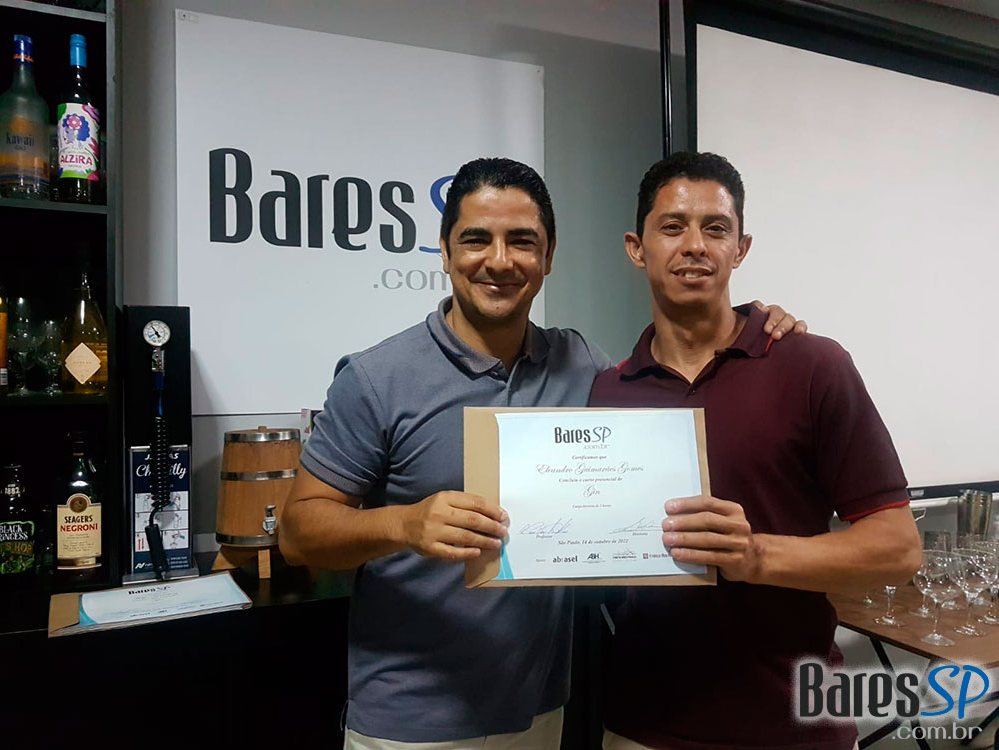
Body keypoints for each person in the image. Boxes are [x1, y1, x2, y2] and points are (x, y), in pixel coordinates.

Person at [279, 157, 803, 749]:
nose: (500, 261)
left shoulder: (581, 364)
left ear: (548, 257)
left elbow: (671, 380)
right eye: (476, 239)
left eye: (522, 241)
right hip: (411, 720)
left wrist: (756, 325)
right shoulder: (377, 377)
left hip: (540, 711)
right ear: (445, 252)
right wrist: (404, 524)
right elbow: (298, 534)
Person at [589, 151, 922, 750]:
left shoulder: (813, 365)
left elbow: (898, 548)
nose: (695, 245)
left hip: (791, 727)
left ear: (740, 249)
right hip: (641, 726)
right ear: (638, 248)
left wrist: (756, 556)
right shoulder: (608, 391)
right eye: (673, 227)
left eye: (715, 228)